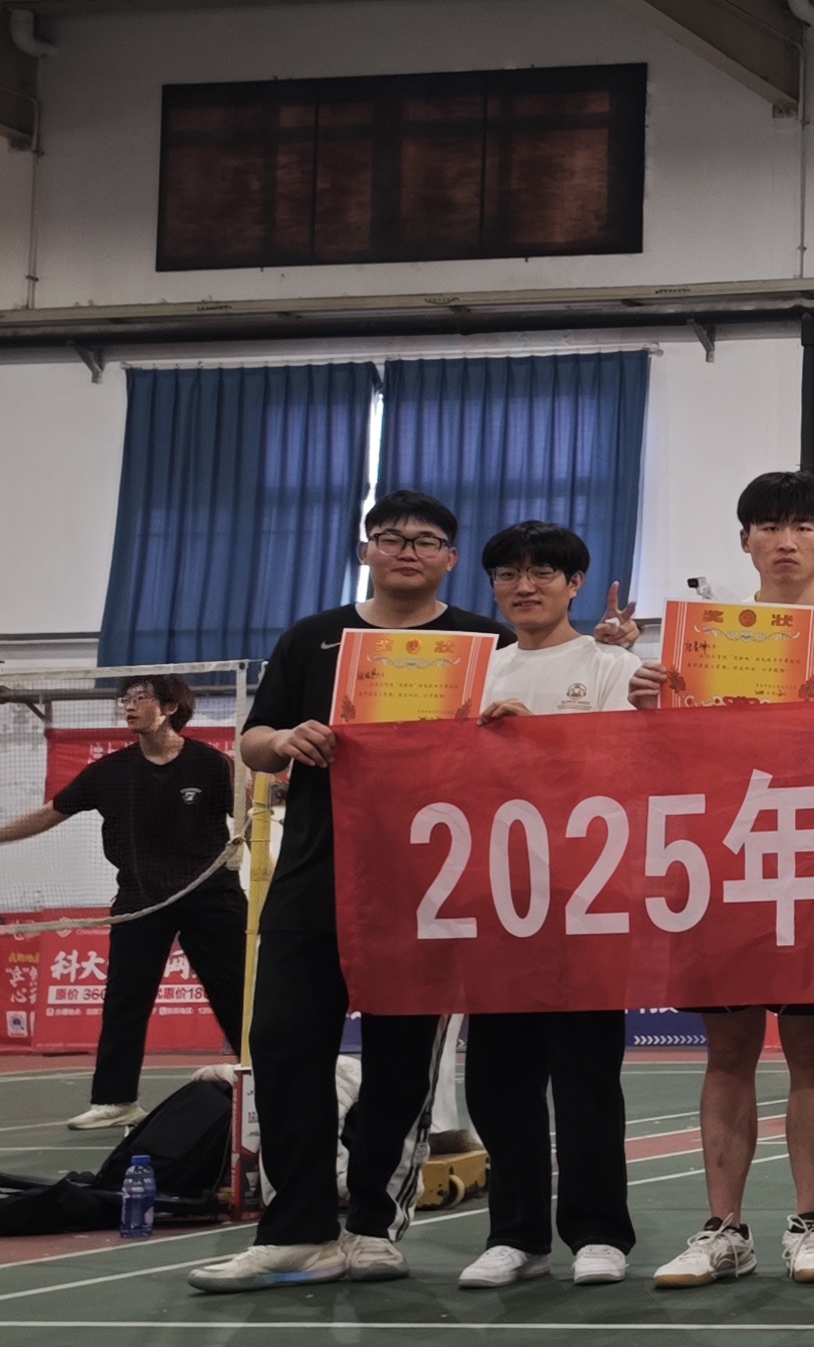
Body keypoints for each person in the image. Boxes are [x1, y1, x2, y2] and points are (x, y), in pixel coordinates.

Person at [189, 491, 506, 1293]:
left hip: (431, 884)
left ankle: (370, 1224)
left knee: (403, 1061)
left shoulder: (485, 641)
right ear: (366, 551)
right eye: (391, 538)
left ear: (449, 558)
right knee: (284, 1043)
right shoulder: (314, 637)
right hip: (315, 874)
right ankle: (296, 1232)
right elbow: (255, 742)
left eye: (426, 540)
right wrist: (286, 738)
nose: (407, 551)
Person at [642, 468, 814, 1288]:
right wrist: (652, 702)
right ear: (744, 541)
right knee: (728, 1047)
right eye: (768, 527)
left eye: (802, 526)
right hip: (726, 858)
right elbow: (673, 752)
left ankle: (810, 1223)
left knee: (813, 1047)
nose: (785, 541)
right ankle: (723, 1228)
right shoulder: (702, 640)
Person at [453, 522, 641, 1289]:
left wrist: (538, 742)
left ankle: (599, 1232)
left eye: (542, 573)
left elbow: (625, 771)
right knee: (498, 1078)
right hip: (489, 901)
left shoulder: (612, 667)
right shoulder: (472, 673)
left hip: (584, 902)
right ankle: (517, 1235)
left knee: (585, 1075)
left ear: (575, 583)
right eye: (508, 574)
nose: (524, 586)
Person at [0, 673, 245, 1130]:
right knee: (125, 999)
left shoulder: (212, 765)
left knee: (238, 992)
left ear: (169, 708)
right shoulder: (110, 772)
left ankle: (267, 1080)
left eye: (140, 697)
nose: (128, 705)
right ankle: (116, 1101)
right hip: (140, 898)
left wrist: (263, 791)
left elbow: (250, 813)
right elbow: (50, 813)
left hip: (210, 895)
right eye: (126, 698)